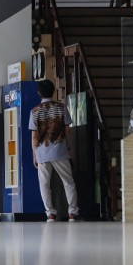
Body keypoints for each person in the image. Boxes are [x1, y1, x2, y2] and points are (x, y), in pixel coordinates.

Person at [29, 80, 80, 222]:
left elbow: (34, 136)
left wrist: (34, 155)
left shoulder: (34, 111)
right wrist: (68, 148)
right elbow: (67, 131)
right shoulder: (62, 108)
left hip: (42, 152)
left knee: (44, 184)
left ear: (39, 93)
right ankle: (72, 212)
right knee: (68, 182)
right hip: (60, 150)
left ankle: (50, 213)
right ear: (54, 91)